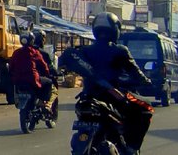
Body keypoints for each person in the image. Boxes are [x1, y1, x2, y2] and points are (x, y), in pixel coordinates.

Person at [59, 13, 153, 155]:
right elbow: (137, 74)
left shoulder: (85, 51)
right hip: (113, 97)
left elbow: (63, 64)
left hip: (88, 98)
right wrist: (146, 82)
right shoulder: (120, 50)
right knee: (146, 109)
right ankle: (132, 148)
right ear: (115, 30)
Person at [8, 33, 51, 113]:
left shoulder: (16, 52)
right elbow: (43, 65)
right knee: (49, 82)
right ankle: (43, 102)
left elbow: (11, 67)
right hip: (32, 79)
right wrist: (48, 73)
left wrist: (13, 76)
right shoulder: (34, 52)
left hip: (18, 80)